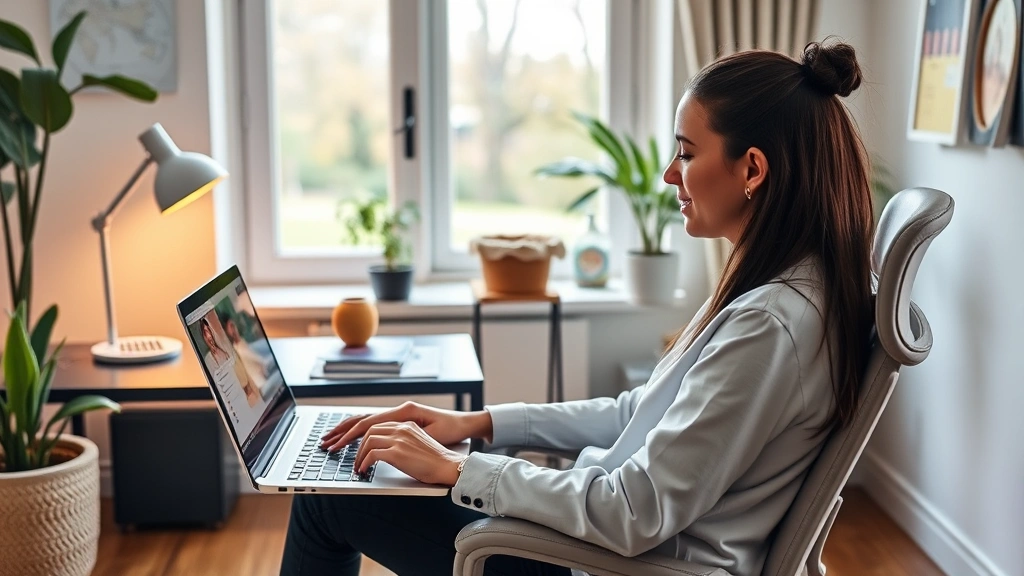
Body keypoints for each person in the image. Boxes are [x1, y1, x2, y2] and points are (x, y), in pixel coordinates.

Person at [281, 39, 875, 576]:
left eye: (688, 154)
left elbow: (633, 512)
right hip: (606, 547)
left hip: (607, 564)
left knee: (330, 499)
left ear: (752, 169)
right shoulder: (784, 291)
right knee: (358, 485)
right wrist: (479, 425)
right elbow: (636, 413)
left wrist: (461, 470)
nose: (671, 174)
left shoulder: (769, 324)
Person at [218, 311, 273, 399]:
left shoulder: (241, 344)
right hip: (263, 386)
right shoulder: (238, 350)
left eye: (233, 325)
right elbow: (263, 362)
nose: (234, 328)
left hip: (264, 378)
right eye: (231, 326)